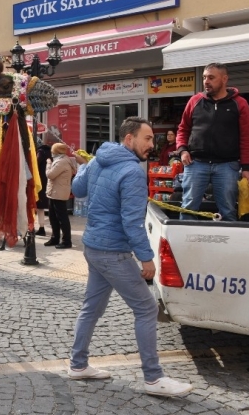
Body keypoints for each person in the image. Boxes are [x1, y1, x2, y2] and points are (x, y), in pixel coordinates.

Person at [68, 116, 192, 397]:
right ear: (129, 139)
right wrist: (146, 258)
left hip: (93, 247)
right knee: (147, 308)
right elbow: (131, 222)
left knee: (92, 307)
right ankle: (153, 377)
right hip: (112, 250)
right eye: (147, 139)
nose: (152, 144)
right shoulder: (132, 171)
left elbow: (77, 189)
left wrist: (84, 167)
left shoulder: (100, 159)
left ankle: (78, 365)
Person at [176, 63, 249, 221]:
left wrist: (247, 167)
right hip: (195, 163)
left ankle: (229, 244)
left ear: (224, 79)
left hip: (227, 165)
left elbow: (247, 137)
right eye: (204, 77)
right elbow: (182, 129)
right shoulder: (195, 101)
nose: (206, 81)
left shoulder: (240, 104)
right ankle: (186, 245)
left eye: (211, 77)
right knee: (188, 208)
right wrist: (183, 150)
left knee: (228, 210)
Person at [44, 143, 76, 249]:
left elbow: (50, 174)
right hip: (54, 192)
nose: (51, 153)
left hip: (59, 193)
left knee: (62, 218)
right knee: (53, 217)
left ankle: (66, 241)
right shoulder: (61, 159)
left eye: (53, 151)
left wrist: (48, 164)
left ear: (56, 151)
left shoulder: (61, 161)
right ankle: (55, 238)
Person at [35, 133, 53, 237]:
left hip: (41, 182)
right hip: (49, 182)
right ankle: (52, 226)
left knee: (40, 207)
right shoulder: (50, 152)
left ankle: (41, 228)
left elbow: (35, 164)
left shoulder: (40, 152)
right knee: (49, 206)